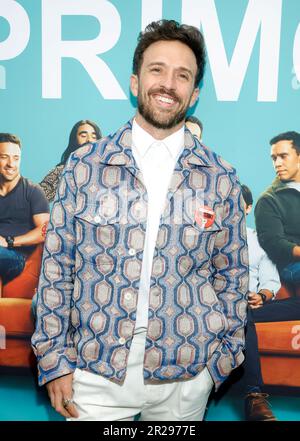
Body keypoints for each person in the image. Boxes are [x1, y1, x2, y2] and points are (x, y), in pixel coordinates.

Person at [32, 19, 248, 422]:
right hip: (94, 374)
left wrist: (217, 366)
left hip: (185, 381)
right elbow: (57, 267)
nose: (168, 83)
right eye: (157, 69)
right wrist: (54, 359)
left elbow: (232, 276)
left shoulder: (220, 178)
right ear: (135, 82)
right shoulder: (86, 165)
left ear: (194, 93)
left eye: (182, 75)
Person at [241, 184, 281, 421]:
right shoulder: (209, 238)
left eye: (237, 203)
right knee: (241, 314)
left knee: (246, 313)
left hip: (251, 305)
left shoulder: (259, 243)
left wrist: (262, 295)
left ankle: (253, 397)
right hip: (216, 306)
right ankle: (254, 396)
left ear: (247, 208)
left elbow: (269, 281)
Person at [0, 133, 49, 296]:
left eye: (15, 158)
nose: (10, 164)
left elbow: (44, 229)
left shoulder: (32, 191)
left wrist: (9, 241)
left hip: (15, 257)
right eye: (4, 157)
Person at [255, 131, 300, 293]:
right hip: (290, 266)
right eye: (274, 158)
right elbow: (274, 243)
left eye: (283, 156)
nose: (277, 163)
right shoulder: (268, 200)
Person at [39, 120, 102, 202]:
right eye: (83, 136)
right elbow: (38, 196)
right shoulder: (62, 170)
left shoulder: (107, 169)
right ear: (74, 140)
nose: (89, 140)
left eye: (94, 137)